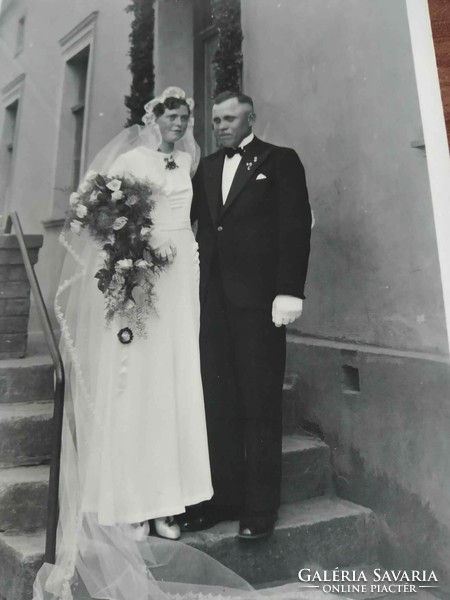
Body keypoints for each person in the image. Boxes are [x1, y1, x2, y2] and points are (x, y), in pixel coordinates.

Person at [180, 91, 312, 540]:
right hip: (212, 303)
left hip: (260, 304)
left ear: (250, 118)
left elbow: (295, 227)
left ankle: (260, 509)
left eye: (229, 118)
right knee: (218, 404)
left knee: (259, 402)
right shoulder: (208, 168)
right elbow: (190, 227)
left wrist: (289, 291)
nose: (220, 126)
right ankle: (224, 498)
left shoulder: (280, 160)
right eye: (216, 120)